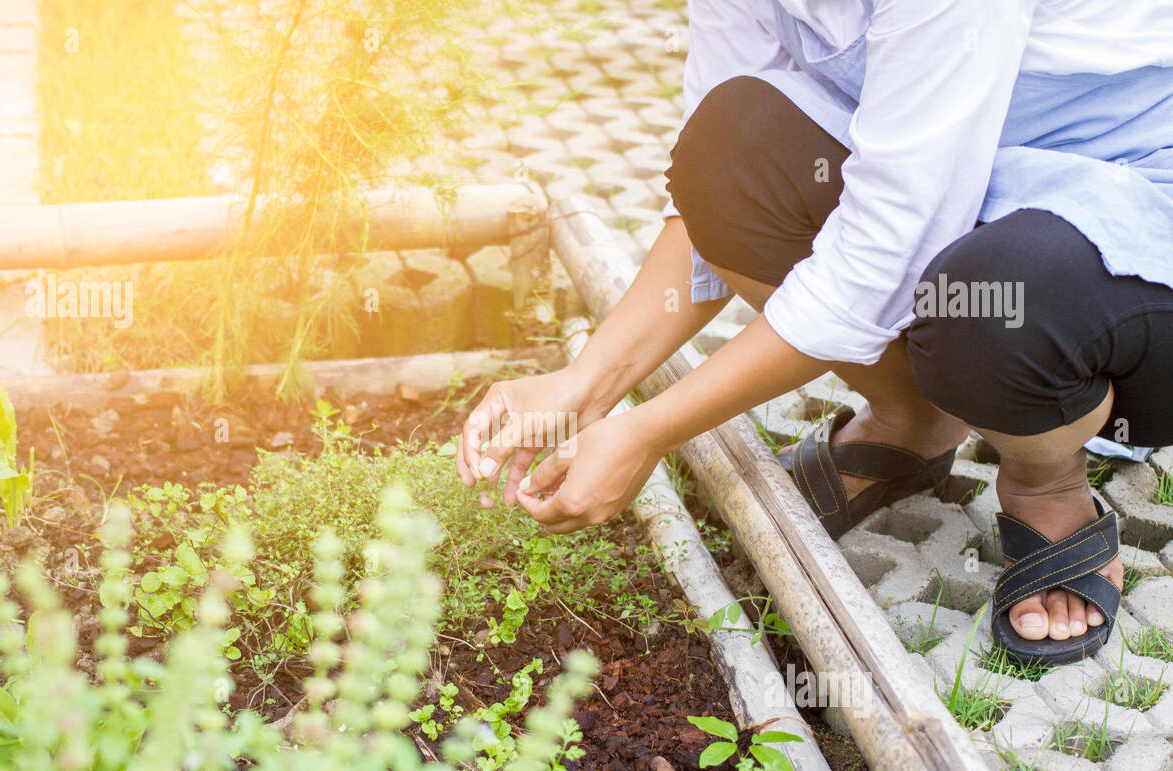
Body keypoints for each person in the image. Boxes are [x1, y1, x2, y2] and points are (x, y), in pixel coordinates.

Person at [456, 0, 1173, 665]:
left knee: (988, 304)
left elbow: (878, 254)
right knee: (728, 144)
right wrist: (585, 383)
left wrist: (647, 431)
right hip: (965, 174)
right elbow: (715, 186)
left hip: (1129, 203)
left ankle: (1046, 486)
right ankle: (913, 418)